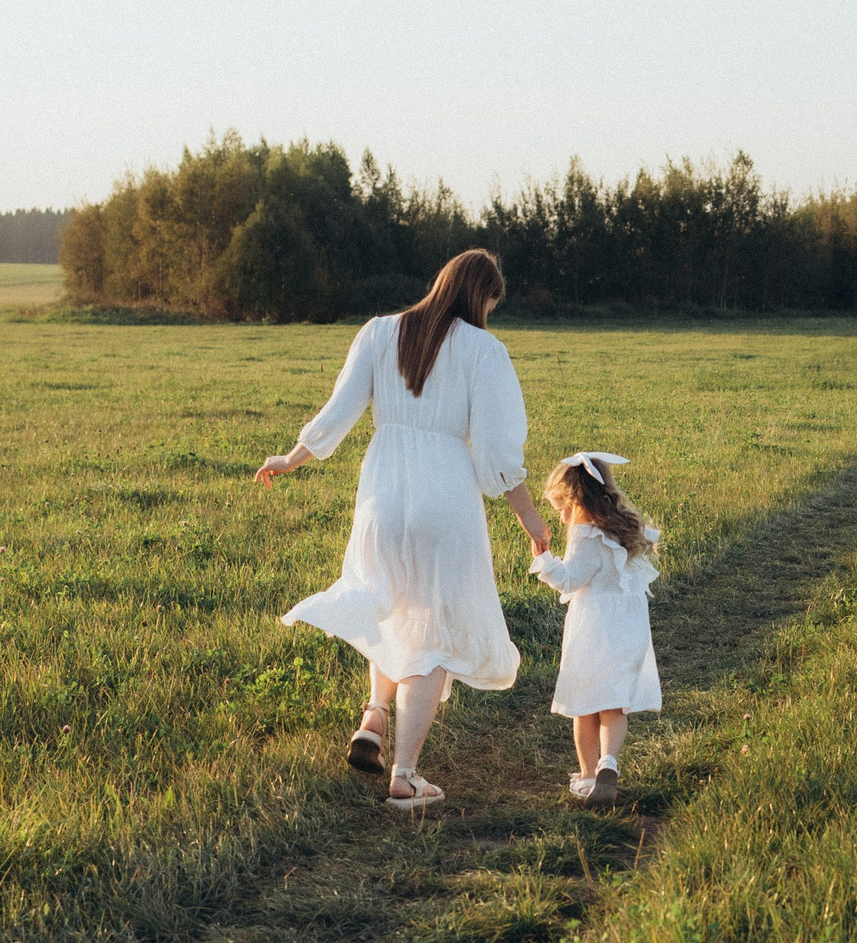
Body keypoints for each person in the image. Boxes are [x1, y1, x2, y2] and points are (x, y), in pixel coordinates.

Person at [255, 250, 552, 810]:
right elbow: (495, 450)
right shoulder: (484, 351)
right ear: (481, 296)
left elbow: (338, 410)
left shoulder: (378, 331)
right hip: (446, 497)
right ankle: (406, 775)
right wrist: (528, 516)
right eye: (492, 301)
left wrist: (291, 458)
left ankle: (374, 718)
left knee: (391, 606)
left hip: (383, 493)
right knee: (433, 628)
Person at [528, 451, 661, 806]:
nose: (561, 517)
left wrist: (543, 559)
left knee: (584, 704)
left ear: (576, 501)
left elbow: (571, 580)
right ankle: (609, 763)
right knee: (614, 706)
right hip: (628, 627)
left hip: (594, 628)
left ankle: (588, 777)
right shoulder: (626, 528)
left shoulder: (584, 535)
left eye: (562, 508)